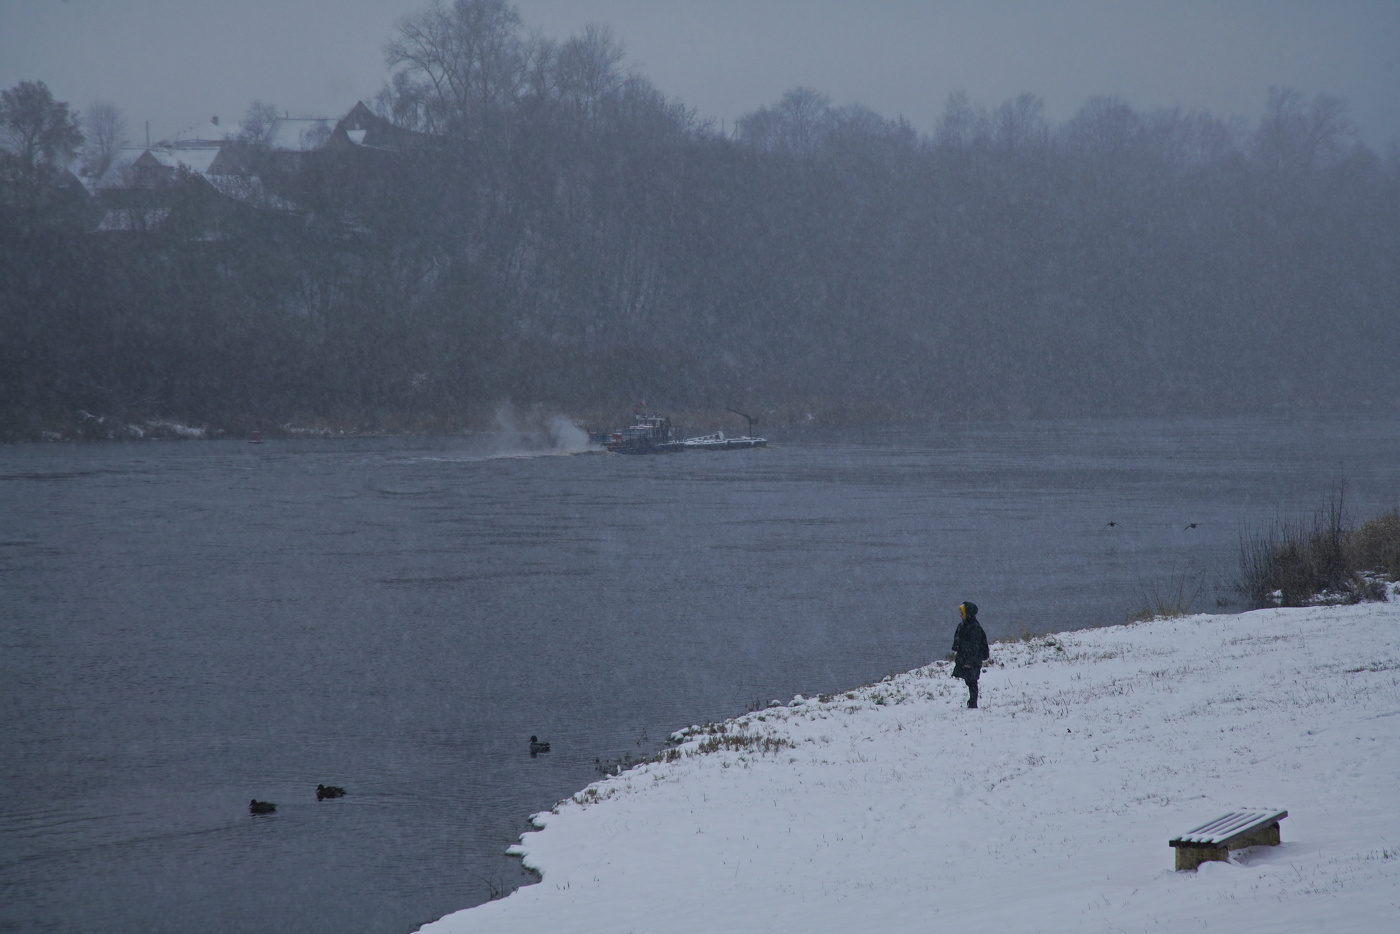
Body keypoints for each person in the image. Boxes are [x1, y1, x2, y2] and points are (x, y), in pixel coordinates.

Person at [951, 601, 990, 708]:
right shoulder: (964, 625)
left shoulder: (974, 627)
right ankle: (972, 701)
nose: (960, 615)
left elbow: (974, 647)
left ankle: (973, 703)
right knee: (969, 680)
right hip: (966, 658)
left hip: (972, 659)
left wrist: (969, 662)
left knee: (972, 680)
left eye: (962, 613)